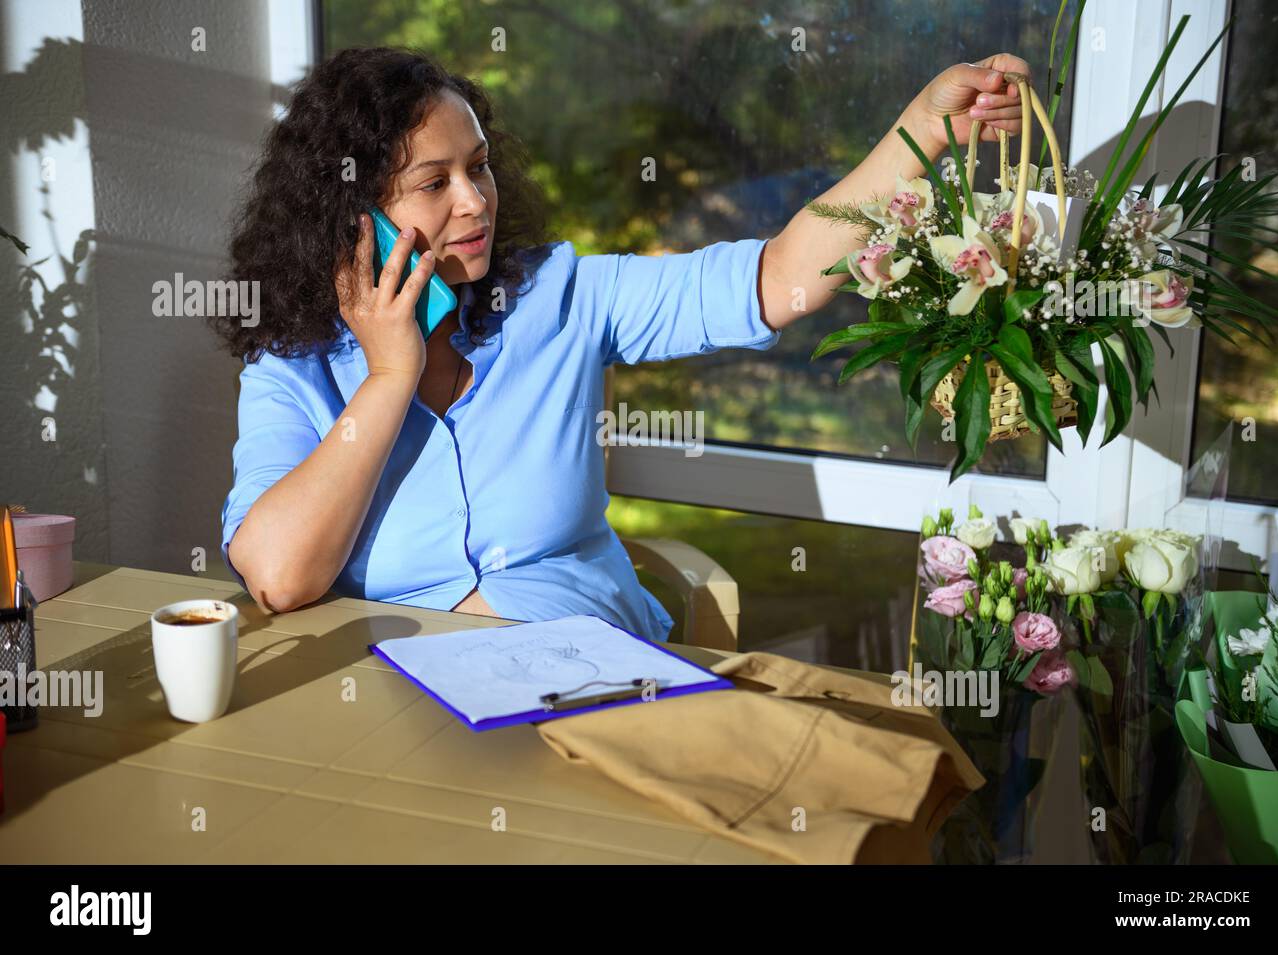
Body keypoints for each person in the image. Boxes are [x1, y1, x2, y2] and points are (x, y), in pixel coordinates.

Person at [214, 46, 1028, 642]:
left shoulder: (560, 296)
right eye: (434, 183)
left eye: (481, 168)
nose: (475, 202)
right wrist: (392, 373)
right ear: (355, 216)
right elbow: (282, 577)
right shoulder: (294, 372)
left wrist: (925, 134)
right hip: (397, 717)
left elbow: (777, 277)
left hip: (589, 687)